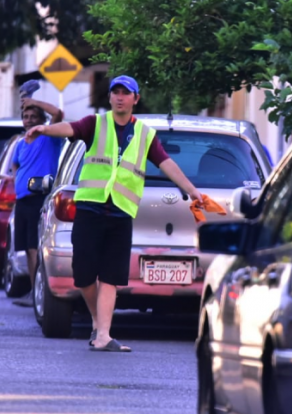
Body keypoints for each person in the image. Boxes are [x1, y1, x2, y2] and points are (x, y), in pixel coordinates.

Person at [25, 75, 204, 352]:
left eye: (126, 93)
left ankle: (103, 335)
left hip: (120, 213)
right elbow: (68, 128)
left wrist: (193, 191)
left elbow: (167, 164)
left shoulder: (145, 134)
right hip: (89, 207)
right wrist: (44, 130)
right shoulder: (95, 124)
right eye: (115, 92)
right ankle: (98, 321)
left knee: (110, 276)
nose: (120, 97)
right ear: (110, 97)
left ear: (136, 99)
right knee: (82, 276)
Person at [10, 82, 65, 307]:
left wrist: (33, 101)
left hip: (38, 199)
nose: (29, 119)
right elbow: (15, 165)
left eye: (34, 116)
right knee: (27, 249)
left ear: (41, 119)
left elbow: (58, 114)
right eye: (26, 116)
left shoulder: (49, 136)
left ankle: (38, 293)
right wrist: (18, 181)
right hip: (22, 201)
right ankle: (34, 292)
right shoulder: (20, 143)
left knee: (36, 248)